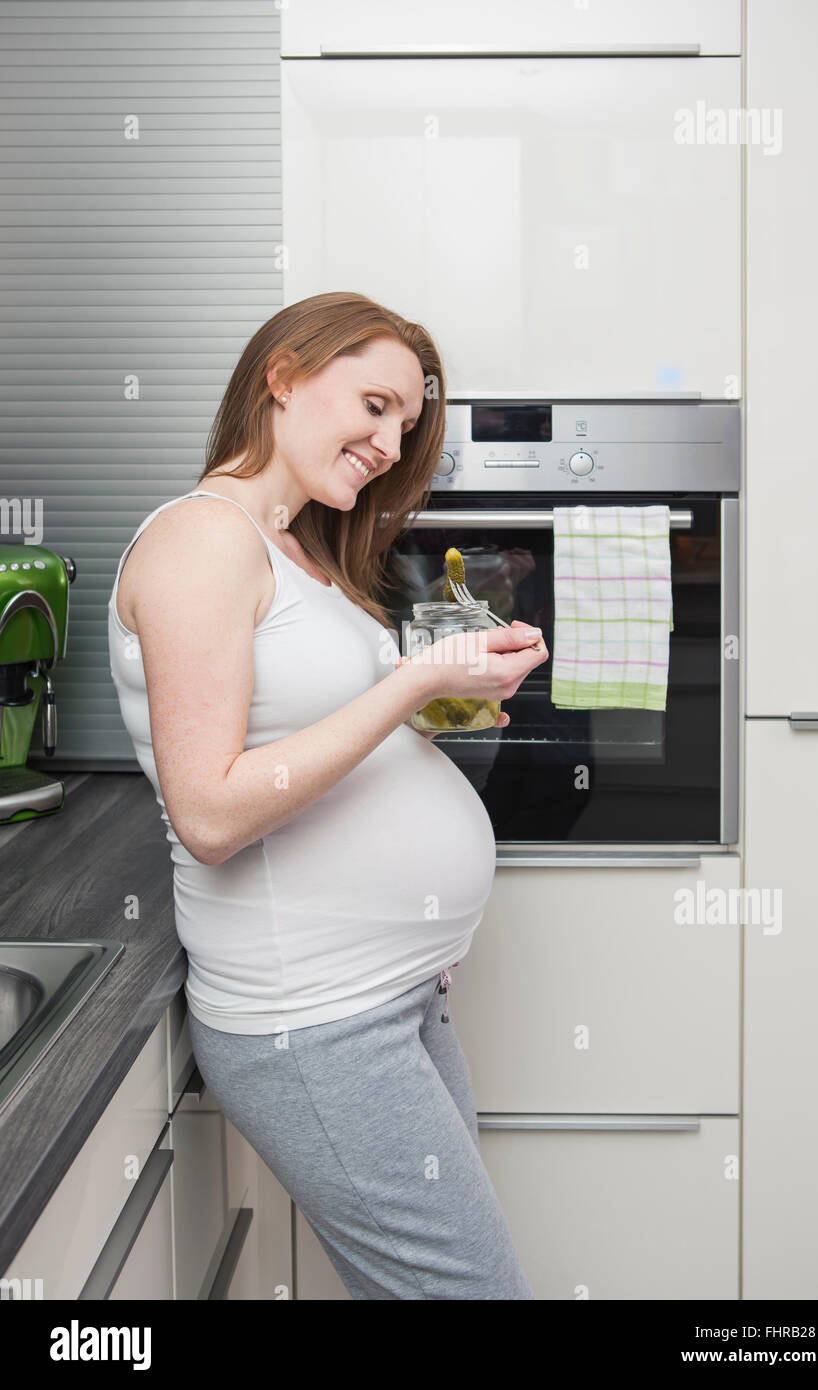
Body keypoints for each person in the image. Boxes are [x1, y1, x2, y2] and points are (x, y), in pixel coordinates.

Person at [107, 290, 548, 1300]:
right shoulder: (199, 541)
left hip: (392, 1000)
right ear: (284, 374)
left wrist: (446, 708)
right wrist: (412, 683)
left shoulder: (298, 554)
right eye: (376, 405)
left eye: (406, 425)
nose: (391, 443)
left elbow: (310, 737)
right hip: (315, 1022)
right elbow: (210, 812)